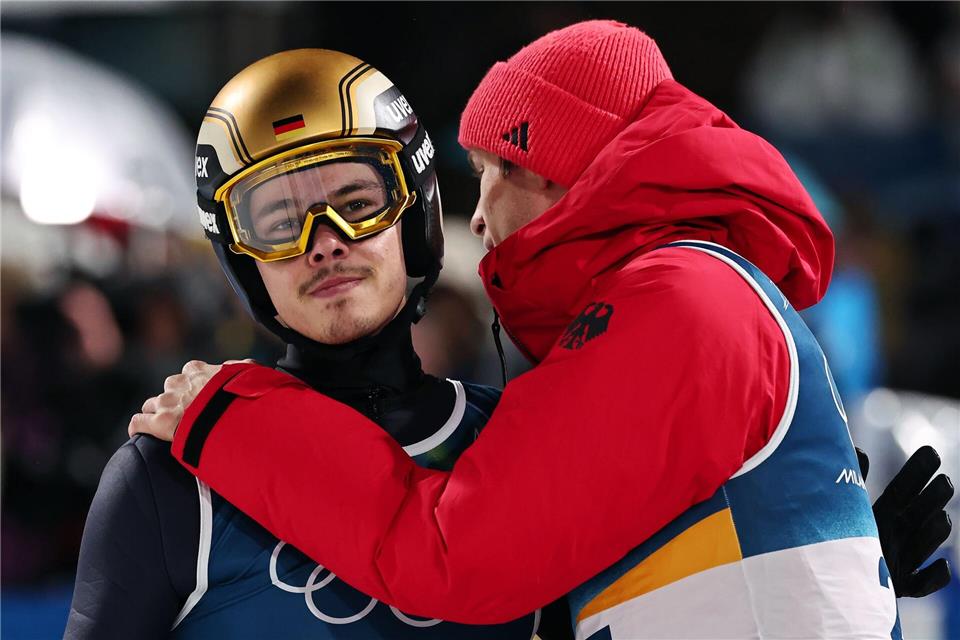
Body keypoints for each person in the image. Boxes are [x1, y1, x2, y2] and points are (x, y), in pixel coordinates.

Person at [130, 21, 954, 639]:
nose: (479, 216)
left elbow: (457, 556)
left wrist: (234, 419)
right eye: (279, 220)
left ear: (555, 165)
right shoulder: (677, 299)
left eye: (493, 172)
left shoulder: (681, 300)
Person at [65, 48, 544, 639]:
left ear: (413, 216)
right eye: (280, 223)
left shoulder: (519, 442)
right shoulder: (168, 478)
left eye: (358, 205)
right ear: (242, 261)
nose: (325, 243)